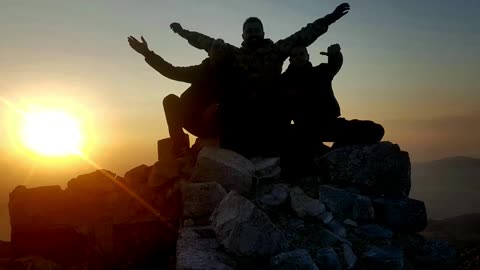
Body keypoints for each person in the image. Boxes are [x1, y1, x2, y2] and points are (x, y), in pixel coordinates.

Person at [168, 3, 351, 157]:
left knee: (285, 147)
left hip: (271, 116)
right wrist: (182, 32)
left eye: (256, 30)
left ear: (263, 33)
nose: (253, 33)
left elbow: (304, 34)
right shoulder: (235, 54)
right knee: (237, 150)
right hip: (242, 117)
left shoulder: (276, 50)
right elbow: (205, 42)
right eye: (249, 31)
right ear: (243, 35)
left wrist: (330, 18)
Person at [128, 36, 232, 157]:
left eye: (222, 48)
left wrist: (218, 106)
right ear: (209, 53)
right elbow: (171, 71)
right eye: (216, 47)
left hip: (219, 125)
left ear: (226, 53)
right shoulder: (201, 70)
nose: (219, 50)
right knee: (170, 100)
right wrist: (146, 53)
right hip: (194, 121)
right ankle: (180, 146)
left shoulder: (233, 73)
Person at [281, 44, 385, 153]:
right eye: (294, 55)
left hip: (330, 123)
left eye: (301, 54)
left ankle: (334, 152)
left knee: (376, 130)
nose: (298, 57)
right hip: (305, 129)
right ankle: (322, 152)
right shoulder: (284, 81)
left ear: (308, 56)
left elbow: (334, 64)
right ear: (290, 60)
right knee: (288, 137)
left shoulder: (321, 72)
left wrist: (335, 54)